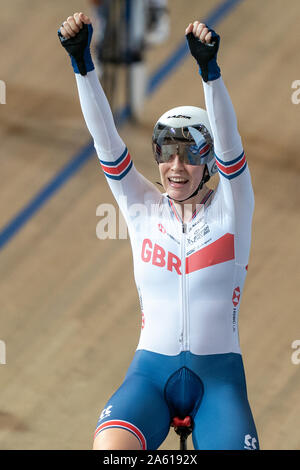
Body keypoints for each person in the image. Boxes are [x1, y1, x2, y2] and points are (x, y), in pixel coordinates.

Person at [58, 13, 259, 450]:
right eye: (166, 155)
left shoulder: (233, 208)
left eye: (189, 156)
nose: (175, 168)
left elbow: (231, 146)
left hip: (219, 381)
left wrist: (210, 74)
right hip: (149, 375)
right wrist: (82, 66)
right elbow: (106, 142)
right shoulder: (142, 207)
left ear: (208, 164)